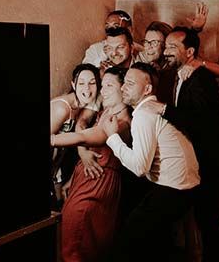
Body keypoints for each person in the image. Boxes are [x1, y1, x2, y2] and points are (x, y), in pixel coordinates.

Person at [144, 27, 219, 262]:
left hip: (210, 161)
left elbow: (199, 121)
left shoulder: (201, 78)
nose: (166, 51)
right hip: (198, 160)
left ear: (190, 52)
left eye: (173, 47)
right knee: (203, 218)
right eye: (166, 46)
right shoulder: (180, 73)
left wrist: (163, 110)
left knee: (208, 219)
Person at [100, 62, 200, 261]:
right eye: (124, 82)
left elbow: (139, 167)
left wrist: (112, 137)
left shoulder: (144, 114)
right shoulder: (150, 109)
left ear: (146, 89)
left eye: (130, 83)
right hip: (184, 187)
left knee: (126, 244)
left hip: (175, 189)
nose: (123, 87)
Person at [52, 67, 131, 262]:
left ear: (123, 88)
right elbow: (83, 129)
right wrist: (73, 178)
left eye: (109, 85)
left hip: (98, 184)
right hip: (85, 180)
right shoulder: (105, 111)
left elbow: (84, 137)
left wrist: (52, 139)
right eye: (102, 85)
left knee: (76, 245)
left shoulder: (122, 122)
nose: (102, 90)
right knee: (74, 242)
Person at [50, 63, 101, 209]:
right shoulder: (62, 108)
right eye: (81, 83)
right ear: (73, 84)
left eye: (92, 83)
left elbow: (82, 124)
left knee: (59, 206)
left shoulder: (84, 104)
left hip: (56, 167)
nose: (87, 89)